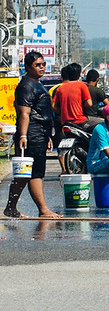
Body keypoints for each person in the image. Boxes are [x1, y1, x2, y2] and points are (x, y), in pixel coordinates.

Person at [4, 51, 62, 219]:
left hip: (40, 133)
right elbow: (24, 113)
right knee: (30, 172)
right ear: (28, 67)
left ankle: (12, 208)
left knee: (29, 173)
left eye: (43, 64)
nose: (42, 67)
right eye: (37, 65)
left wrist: (47, 136)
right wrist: (23, 135)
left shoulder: (37, 84)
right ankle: (42, 209)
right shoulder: (27, 86)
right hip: (31, 133)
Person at [53, 63, 103, 133]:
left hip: (65, 122)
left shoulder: (60, 88)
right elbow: (89, 103)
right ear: (79, 74)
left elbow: (53, 106)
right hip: (80, 121)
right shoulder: (82, 85)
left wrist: (63, 112)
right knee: (103, 123)